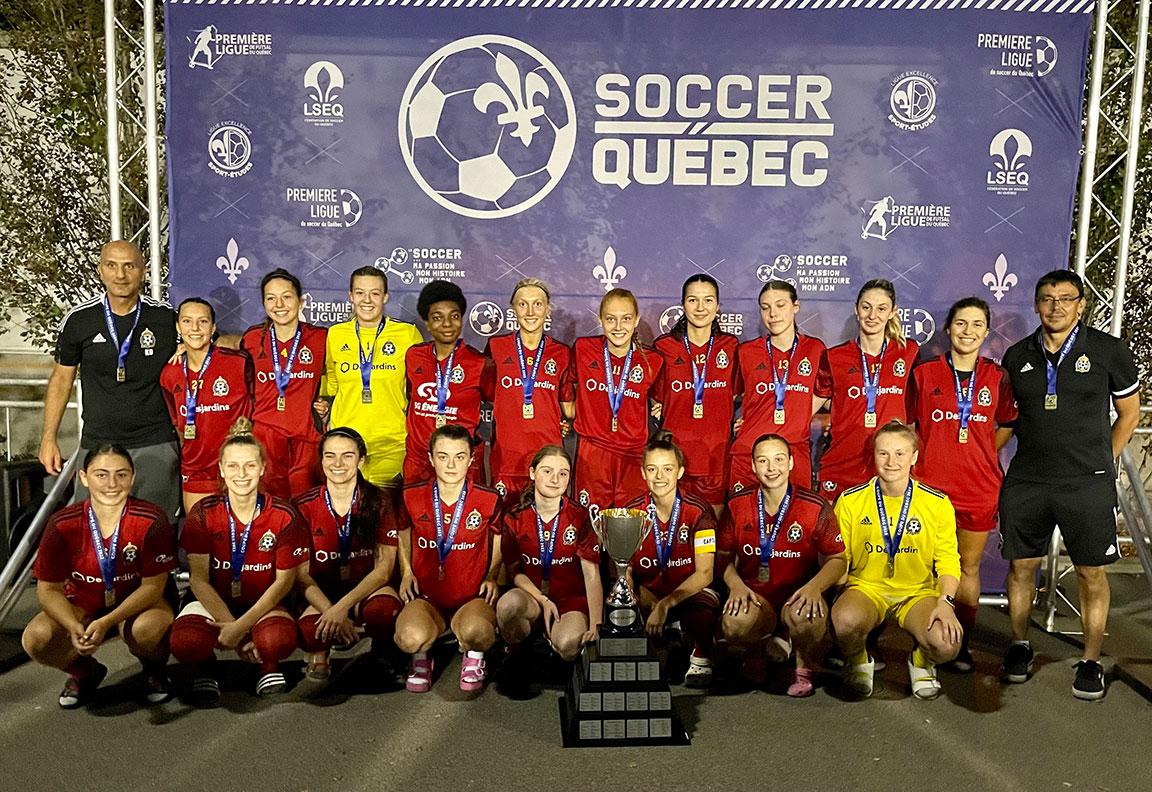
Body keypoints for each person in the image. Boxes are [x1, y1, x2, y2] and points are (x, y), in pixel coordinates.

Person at [998, 270, 1140, 700]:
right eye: (1046, 298)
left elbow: (1129, 414)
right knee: (1022, 567)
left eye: (1065, 298)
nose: (1055, 306)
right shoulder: (1017, 356)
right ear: (1036, 305)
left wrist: (1102, 461)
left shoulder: (1109, 351)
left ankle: (1091, 660)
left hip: (1086, 484)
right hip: (1028, 480)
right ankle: (1020, 645)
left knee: (1090, 572)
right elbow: (1006, 420)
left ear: (1081, 305)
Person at [906, 297, 1016, 672]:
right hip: (929, 489)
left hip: (978, 489)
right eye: (961, 323)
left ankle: (960, 644)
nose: (968, 331)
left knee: (968, 568)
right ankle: (923, 641)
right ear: (948, 328)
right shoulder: (924, 374)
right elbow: (908, 426)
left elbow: (1007, 424)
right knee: (925, 568)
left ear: (986, 332)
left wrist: (980, 451)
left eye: (976, 324)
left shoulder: (997, 377)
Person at [22, 444, 177, 708]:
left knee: (146, 629)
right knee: (36, 638)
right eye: (101, 475)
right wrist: (72, 625)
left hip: (136, 601)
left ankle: (154, 670)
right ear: (84, 478)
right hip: (84, 600)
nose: (112, 484)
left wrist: (107, 622)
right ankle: (85, 673)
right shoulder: (63, 523)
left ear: (132, 477)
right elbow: (48, 590)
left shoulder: (151, 519)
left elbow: (153, 587)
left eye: (121, 474)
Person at [169, 421, 310, 705]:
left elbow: (284, 582)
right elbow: (198, 580)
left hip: (262, 600)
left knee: (277, 639)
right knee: (185, 642)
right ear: (222, 470)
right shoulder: (203, 512)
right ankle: (205, 667)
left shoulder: (283, 514)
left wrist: (240, 627)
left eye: (249, 466)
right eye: (233, 466)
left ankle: (269, 665)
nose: (242, 474)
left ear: (262, 468)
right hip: (215, 598)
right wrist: (238, 632)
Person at [40, 240, 180, 518]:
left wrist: (191, 345)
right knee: (95, 531)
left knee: (156, 530)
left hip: (155, 442)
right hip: (98, 444)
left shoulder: (166, 318)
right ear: (100, 270)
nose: (120, 275)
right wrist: (48, 438)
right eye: (112, 266)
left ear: (143, 271)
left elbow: (206, 345)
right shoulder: (79, 320)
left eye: (129, 266)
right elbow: (61, 380)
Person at [831, 421, 962, 700]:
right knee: (843, 621)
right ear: (874, 455)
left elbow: (948, 560)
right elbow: (841, 559)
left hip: (917, 593)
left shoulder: (937, 503)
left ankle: (922, 662)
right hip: (867, 589)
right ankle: (859, 661)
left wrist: (946, 602)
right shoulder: (851, 501)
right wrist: (833, 596)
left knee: (947, 642)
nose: (891, 462)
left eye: (900, 454)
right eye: (883, 453)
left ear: (914, 457)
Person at [718, 434, 846, 697]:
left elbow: (838, 559)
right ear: (753, 466)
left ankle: (803, 665)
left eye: (778, 459)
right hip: (756, 596)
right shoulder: (737, 504)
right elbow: (721, 557)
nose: (771, 468)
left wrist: (815, 588)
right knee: (734, 623)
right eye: (762, 461)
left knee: (807, 616)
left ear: (790, 463)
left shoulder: (814, 506)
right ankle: (755, 656)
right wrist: (735, 585)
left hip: (798, 596)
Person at [395, 426, 503, 692]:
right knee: (408, 638)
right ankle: (420, 657)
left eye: (459, 456)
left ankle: (474, 655)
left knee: (479, 633)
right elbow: (403, 534)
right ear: (431, 459)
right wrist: (406, 571)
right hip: (426, 596)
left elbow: (499, 540)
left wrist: (491, 575)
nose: (451, 465)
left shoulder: (488, 499)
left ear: (471, 459)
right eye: (443, 456)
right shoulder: (411, 495)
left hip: (470, 596)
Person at [294, 427, 403, 681]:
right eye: (330, 456)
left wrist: (341, 608)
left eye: (347, 456)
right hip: (323, 591)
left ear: (361, 460)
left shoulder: (379, 501)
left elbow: (384, 569)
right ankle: (320, 652)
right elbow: (300, 575)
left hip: (366, 589)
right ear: (321, 461)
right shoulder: (303, 506)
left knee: (384, 611)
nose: (338, 463)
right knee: (309, 632)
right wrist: (330, 610)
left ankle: (381, 650)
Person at [623, 433, 719, 687]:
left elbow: (705, 573)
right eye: (652, 469)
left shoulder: (699, 512)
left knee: (703, 614)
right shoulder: (631, 512)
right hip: (650, 591)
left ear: (680, 472)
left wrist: (666, 604)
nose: (659, 476)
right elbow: (625, 567)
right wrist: (629, 590)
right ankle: (667, 641)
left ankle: (701, 652)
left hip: (689, 592)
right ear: (643, 473)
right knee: (623, 603)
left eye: (667, 469)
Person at [496, 446, 602, 670]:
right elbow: (514, 572)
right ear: (532, 473)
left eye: (563, 473)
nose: (555, 479)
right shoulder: (514, 517)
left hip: (569, 601)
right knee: (508, 606)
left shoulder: (580, 516)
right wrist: (542, 600)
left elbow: (592, 575)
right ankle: (519, 651)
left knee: (570, 644)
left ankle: (555, 642)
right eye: (547, 471)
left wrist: (596, 624)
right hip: (532, 599)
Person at [814, 279, 920, 500]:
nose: (872, 315)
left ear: (893, 312)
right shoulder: (834, 357)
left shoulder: (908, 352)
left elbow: (916, 410)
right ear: (856, 308)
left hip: (889, 466)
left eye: (881, 309)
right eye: (866, 307)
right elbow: (810, 405)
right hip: (842, 463)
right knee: (833, 524)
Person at [321, 265, 422, 491]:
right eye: (360, 293)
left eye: (375, 293)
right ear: (351, 296)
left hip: (391, 444)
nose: (367, 300)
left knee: (384, 509)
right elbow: (333, 385)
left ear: (385, 297)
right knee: (347, 510)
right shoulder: (335, 335)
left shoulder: (407, 334)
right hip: (345, 445)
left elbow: (419, 388)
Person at [653, 274, 740, 513]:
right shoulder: (664, 347)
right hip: (673, 457)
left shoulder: (731, 347)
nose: (700, 308)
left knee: (710, 527)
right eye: (693, 300)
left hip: (715, 456)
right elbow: (651, 395)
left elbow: (741, 394)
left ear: (718, 305)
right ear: (683, 304)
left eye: (708, 300)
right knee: (673, 527)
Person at [730, 281, 827, 493]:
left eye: (780, 305)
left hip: (794, 453)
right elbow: (725, 392)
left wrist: (802, 414)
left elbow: (827, 392)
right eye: (765, 307)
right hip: (750, 453)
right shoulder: (746, 352)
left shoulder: (815, 349)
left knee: (796, 514)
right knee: (746, 514)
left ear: (796, 306)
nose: (773, 314)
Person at [571, 289, 664, 510]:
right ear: (600, 319)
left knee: (629, 524)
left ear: (637, 320)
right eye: (611, 319)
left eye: (626, 319)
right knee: (590, 521)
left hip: (632, 455)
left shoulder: (653, 360)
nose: (618, 327)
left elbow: (660, 402)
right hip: (592, 452)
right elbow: (564, 389)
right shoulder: (583, 349)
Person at [160, 298, 254, 513]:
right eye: (187, 321)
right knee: (199, 531)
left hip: (238, 466)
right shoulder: (170, 373)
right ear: (178, 327)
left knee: (241, 532)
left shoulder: (238, 362)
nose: (195, 328)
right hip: (196, 471)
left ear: (213, 328)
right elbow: (178, 426)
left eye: (202, 321)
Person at [485, 279, 575, 503]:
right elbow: (488, 396)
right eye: (523, 304)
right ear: (513, 309)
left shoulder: (562, 353)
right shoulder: (496, 347)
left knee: (547, 522)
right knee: (504, 523)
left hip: (548, 462)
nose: (530, 312)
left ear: (547, 309)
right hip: (507, 459)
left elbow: (568, 408)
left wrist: (556, 420)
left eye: (538, 304)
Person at [241, 268, 327, 499]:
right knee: (271, 504)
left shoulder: (321, 338)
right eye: (271, 298)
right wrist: (186, 349)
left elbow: (345, 374)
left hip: (306, 435)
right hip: (266, 435)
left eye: (286, 297)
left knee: (307, 502)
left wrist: (328, 401)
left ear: (300, 301)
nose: (279, 305)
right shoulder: (252, 339)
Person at [403, 280, 495, 484]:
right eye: (437, 317)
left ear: (462, 319)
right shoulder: (414, 356)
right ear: (427, 322)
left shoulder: (480, 363)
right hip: (419, 461)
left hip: (461, 463)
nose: (447, 324)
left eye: (454, 316)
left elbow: (503, 405)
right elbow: (409, 395)